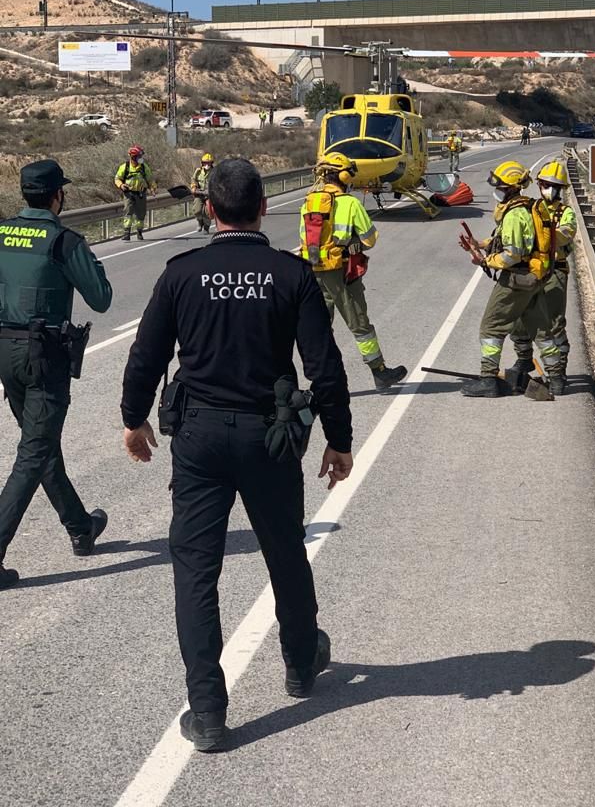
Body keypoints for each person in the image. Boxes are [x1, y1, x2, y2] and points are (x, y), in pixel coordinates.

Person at [121, 157, 354, 753]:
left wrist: (133, 419)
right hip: (268, 440)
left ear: (209, 209)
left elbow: (146, 355)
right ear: (263, 208)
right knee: (284, 551)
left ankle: (207, 711)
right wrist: (338, 438)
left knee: (197, 571)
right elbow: (323, 365)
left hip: (198, 440)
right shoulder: (289, 274)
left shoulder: (181, 272)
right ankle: (301, 662)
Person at [0, 159, 113, 589]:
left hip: (5, 353)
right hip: (42, 357)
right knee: (32, 454)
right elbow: (101, 298)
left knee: (40, 445)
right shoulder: (62, 241)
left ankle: (80, 526)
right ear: (56, 197)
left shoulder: (2, 233)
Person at [299, 153, 407, 392]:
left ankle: (320, 380)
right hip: (342, 272)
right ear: (344, 175)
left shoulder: (308, 202)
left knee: (319, 326)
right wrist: (353, 243)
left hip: (313, 271)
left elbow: (304, 239)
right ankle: (379, 372)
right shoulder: (350, 203)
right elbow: (370, 240)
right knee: (359, 324)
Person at [460, 160, 555, 398]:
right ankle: (557, 377)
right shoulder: (527, 207)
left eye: (500, 186)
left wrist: (485, 261)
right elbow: (510, 241)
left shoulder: (514, 214)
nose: (497, 190)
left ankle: (488, 380)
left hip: (517, 280)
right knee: (541, 329)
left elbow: (512, 254)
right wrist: (479, 244)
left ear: (511, 188)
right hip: (534, 277)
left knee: (491, 327)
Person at [511, 162, 576, 395]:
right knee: (518, 318)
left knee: (553, 323)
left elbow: (564, 236)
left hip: (555, 272)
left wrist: (543, 232)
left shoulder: (565, 213)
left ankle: (558, 372)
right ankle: (524, 358)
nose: (547, 189)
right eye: (544, 184)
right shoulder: (533, 209)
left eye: (552, 186)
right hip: (531, 271)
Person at [114, 145, 157, 242]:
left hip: (141, 194)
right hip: (129, 194)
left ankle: (139, 233)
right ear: (133, 157)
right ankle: (126, 233)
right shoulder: (124, 167)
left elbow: (150, 179)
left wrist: (153, 188)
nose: (141, 158)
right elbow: (117, 179)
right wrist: (121, 185)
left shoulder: (143, 167)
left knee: (140, 215)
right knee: (128, 212)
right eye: (139, 156)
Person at [190, 152, 214, 233]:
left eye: (209, 162)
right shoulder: (198, 171)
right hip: (199, 194)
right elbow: (193, 179)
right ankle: (200, 223)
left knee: (208, 212)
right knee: (197, 210)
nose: (207, 164)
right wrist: (194, 187)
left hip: (209, 195)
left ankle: (206, 227)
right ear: (202, 163)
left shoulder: (214, 172)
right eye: (205, 162)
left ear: (211, 163)